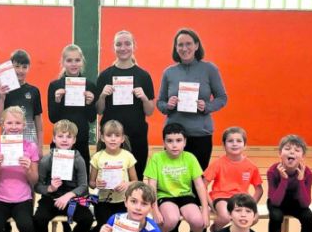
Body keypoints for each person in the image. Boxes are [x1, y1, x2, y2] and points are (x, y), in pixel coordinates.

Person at [156, 28, 228, 171]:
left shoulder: (209, 69)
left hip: (200, 134)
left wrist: (207, 106)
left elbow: (222, 98)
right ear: (176, 48)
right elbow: (160, 102)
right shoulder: (169, 72)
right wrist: (168, 105)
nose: (184, 48)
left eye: (188, 44)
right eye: (180, 45)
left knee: (198, 178)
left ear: (196, 45)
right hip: (174, 136)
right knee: (173, 177)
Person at [96, 30, 155, 180]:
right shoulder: (104, 75)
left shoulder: (144, 76)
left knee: (136, 179)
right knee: (109, 179)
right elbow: (99, 110)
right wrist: (102, 96)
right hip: (111, 136)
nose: (123, 48)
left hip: (137, 136)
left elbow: (150, 111)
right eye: (119, 44)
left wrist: (144, 98)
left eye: (127, 43)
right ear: (113, 47)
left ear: (134, 46)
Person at [33, 120, 92, 232]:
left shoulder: (79, 160)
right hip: (51, 198)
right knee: (38, 219)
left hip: (72, 199)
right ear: (54, 138)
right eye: (60, 136)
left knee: (87, 219)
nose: (64, 140)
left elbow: (84, 186)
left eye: (69, 136)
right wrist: (50, 188)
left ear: (74, 140)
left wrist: (69, 195)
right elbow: (37, 186)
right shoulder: (46, 160)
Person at [144, 123, 209, 232]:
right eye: (169, 141)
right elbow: (151, 186)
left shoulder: (190, 158)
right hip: (165, 196)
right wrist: (155, 210)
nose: (174, 145)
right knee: (171, 219)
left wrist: (205, 210)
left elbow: (200, 185)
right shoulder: (157, 158)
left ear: (185, 142)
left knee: (198, 222)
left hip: (185, 195)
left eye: (178, 140)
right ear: (164, 143)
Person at [266, 134, 312, 232]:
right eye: (287, 149)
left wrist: (300, 181)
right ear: (280, 153)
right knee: (276, 216)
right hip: (277, 201)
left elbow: (305, 203)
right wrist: (283, 179)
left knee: (308, 217)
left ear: (302, 156)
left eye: (297, 150)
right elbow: (275, 201)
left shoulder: (307, 173)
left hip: (297, 203)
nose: (292, 152)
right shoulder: (273, 171)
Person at [47, 44, 98, 174]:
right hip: (61, 141)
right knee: (59, 179)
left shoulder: (90, 86)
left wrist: (89, 103)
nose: (73, 64)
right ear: (63, 62)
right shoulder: (55, 86)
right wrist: (57, 101)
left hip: (81, 140)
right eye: (69, 60)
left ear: (82, 62)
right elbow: (52, 118)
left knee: (82, 179)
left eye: (77, 60)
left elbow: (92, 118)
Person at [203, 127, 263, 232]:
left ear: (245, 145)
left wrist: (252, 204)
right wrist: (211, 204)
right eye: (230, 141)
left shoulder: (251, 166)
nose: (234, 144)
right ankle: (215, 231)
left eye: (239, 141)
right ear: (223, 145)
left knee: (254, 218)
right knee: (225, 217)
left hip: (241, 198)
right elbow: (203, 185)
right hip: (221, 197)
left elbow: (259, 190)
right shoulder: (217, 164)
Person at [88, 120, 137, 232]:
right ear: (102, 138)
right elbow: (91, 183)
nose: (113, 139)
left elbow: (135, 182)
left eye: (117, 135)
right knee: (105, 229)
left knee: (121, 230)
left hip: (123, 201)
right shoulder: (97, 157)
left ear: (122, 138)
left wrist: (127, 184)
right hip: (103, 202)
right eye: (109, 135)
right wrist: (96, 183)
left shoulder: (128, 156)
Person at [0, 49, 44, 154]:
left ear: (29, 68)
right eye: (17, 66)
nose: (20, 70)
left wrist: (40, 148)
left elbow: (39, 124)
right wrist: (2, 99)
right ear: (10, 68)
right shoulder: (3, 91)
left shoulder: (34, 91)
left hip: (30, 145)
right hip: (8, 145)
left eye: (24, 67)